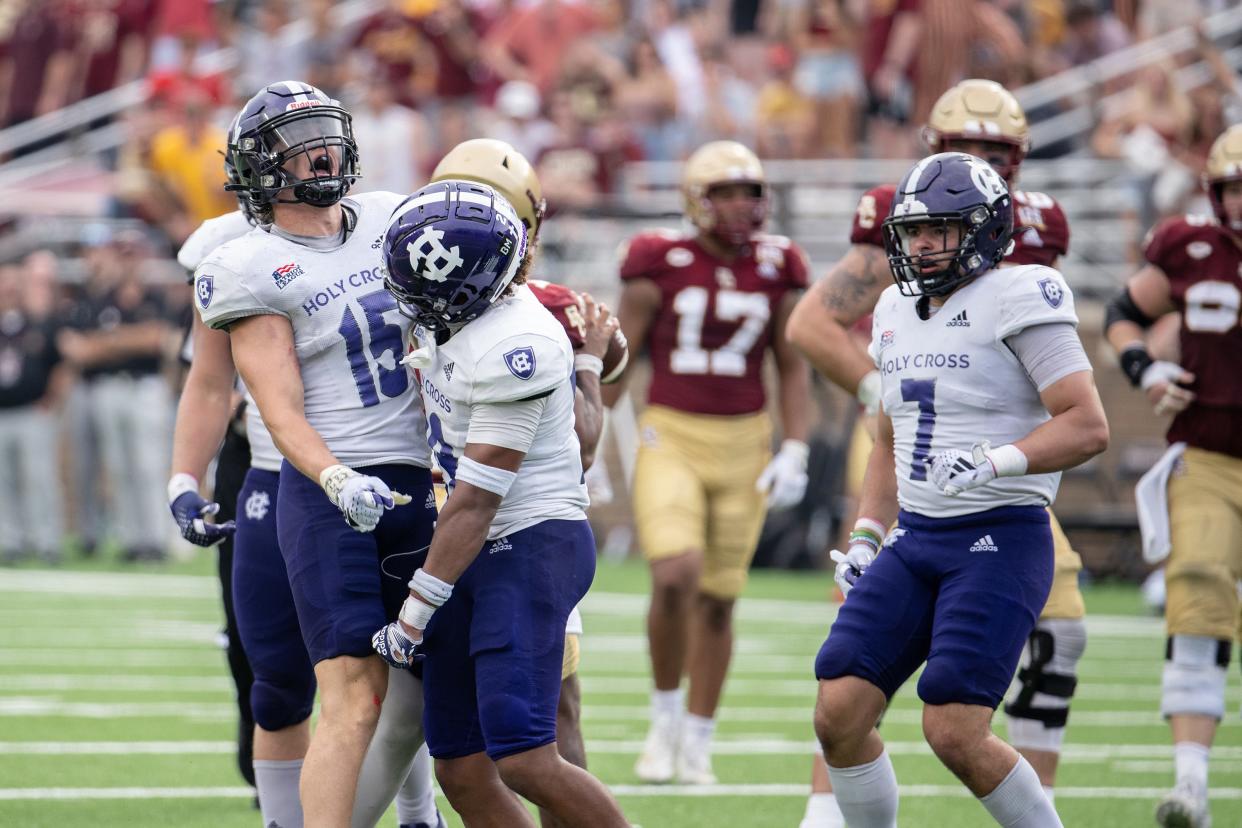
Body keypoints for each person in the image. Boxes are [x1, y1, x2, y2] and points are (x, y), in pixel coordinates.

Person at [787, 78, 1088, 827]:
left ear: (984, 230)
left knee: (952, 727)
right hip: (917, 537)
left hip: (998, 535)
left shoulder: (1025, 294)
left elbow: (1087, 423)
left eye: (940, 231)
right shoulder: (892, 305)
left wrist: (1000, 460)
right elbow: (888, 436)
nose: (921, 245)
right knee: (840, 707)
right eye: (913, 231)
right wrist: (864, 535)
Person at [193, 81, 437, 827]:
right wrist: (334, 474)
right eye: (298, 145)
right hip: (330, 491)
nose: (322, 152)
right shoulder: (245, 262)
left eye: (325, 134)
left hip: (423, 482)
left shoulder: (395, 219)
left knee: (431, 695)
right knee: (353, 700)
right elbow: (277, 406)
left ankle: (419, 815)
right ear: (262, 166)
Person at [372, 179, 629, 828]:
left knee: (526, 758)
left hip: (527, 544)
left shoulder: (520, 348)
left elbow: (479, 501)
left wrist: (414, 614)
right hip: (467, 548)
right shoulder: (465, 316)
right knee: (458, 766)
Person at [604, 139, 811, 785]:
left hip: (746, 439)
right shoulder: (657, 260)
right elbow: (619, 357)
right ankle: (663, 721)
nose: (742, 206)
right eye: (727, 192)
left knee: (720, 600)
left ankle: (697, 739)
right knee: (675, 574)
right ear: (697, 199)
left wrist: (796, 444)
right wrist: (579, 439)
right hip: (672, 431)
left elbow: (792, 361)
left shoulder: (780, 264)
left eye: (750, 192)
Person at [1104, 123, 1242, 828]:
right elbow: (1123, 314)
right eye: (1236, 188)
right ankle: (1191, 783)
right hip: (1210, 456)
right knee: (1195, 595)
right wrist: (1146, 367)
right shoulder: (1190, 248)